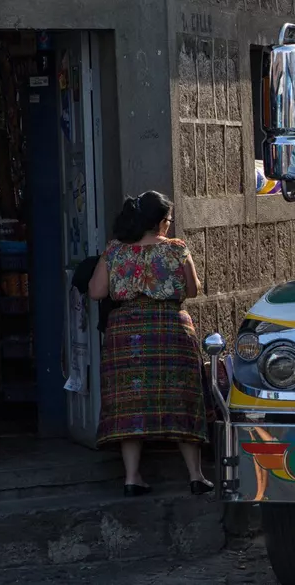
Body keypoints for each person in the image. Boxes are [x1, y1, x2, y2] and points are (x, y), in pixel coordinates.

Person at [87, 191, 211, 497]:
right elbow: (194, 290)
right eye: (168, 219)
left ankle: (131, 477)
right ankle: (195, 475)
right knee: (183, 397)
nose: (169, 225)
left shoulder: (115, 251)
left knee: (130, 401)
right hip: (170, 329)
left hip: (128, 336)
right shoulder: (176, 249)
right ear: (159, 221)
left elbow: (96, 291)